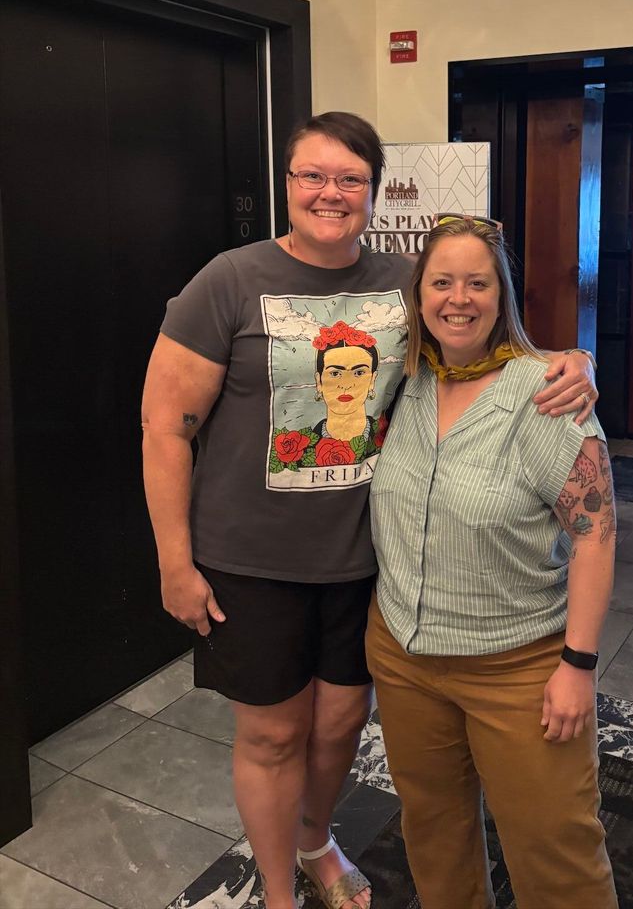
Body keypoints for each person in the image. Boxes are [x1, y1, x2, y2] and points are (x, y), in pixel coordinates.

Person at [140, 113, 598, 909]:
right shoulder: (229, 280)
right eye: (312, 175)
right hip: (251, 562)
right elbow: (164, 429)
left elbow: (479, 327)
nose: (331, 192)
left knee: (338, 727)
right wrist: (174, 563)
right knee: (274, 733)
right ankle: (278, 892)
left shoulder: (401, 281)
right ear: (287, 184)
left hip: (364, 561)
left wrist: (572, 360)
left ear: (375, 194)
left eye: (351, 179)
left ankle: (315, 839)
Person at [366, 216, 618, 909]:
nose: (459, 298)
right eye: (442, 282)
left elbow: (595, 534)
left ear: (501, 295)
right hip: (405, 657)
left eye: (477, 283)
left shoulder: (547, 396)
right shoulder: (403, 380)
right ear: (419, 296)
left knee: (556, 852)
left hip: (518, 668)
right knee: (434, 833)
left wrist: (578, 665)